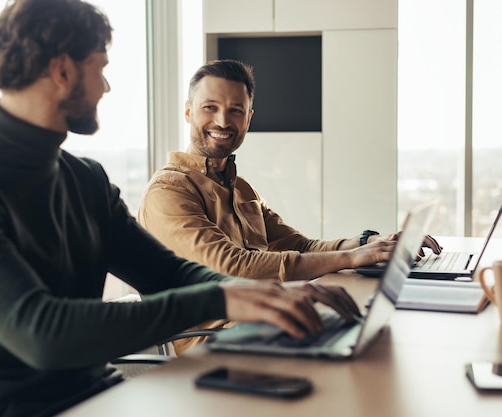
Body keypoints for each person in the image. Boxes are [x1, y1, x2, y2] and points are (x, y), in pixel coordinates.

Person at [0, 2, 363, 416]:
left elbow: (167, 273)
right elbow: (43, 334)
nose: (106, 87)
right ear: (62, 71)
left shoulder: (85, 179)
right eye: (101, 69)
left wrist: (267, 296)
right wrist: (225, 295)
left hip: (95, 395)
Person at [137, 59, 443, 354]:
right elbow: (233, 267)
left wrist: (369, 244)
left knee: (376, 330)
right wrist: (351, 257)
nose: (222, 121)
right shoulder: (169, 190)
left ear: (248, 119)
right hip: (213, 344)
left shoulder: (240, 187)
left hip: (269, 319)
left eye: (236, 110)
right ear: (188, 112)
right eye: (210, 108)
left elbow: (301, 245)